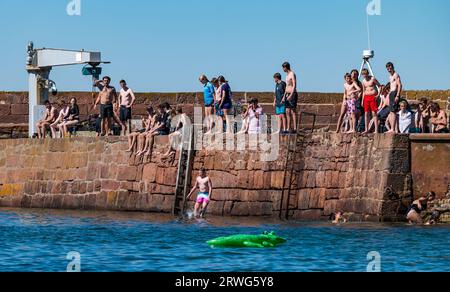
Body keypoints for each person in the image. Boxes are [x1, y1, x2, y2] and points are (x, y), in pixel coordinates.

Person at [361, 69, 381, 134]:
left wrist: (378, 95)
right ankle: (366, 129)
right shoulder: (363, 81)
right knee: (366, 114)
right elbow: (363, 91)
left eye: (365, 74)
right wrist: (362, 100)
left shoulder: (372, 79)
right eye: (363, 74)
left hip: (373, 97)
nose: (365, 75)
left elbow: (379, 86)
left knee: (374, 113)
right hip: (366, 97)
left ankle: (376, 130)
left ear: (368, 73)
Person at [386, 62, 403, 133]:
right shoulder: (390, 76)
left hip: (395, 93)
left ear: (393, 67)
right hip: (391, 93)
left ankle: (392, 129)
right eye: (388, 69)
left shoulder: (395, 75)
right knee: (391, 112)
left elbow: (400, 85)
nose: (389, 70)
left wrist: (397, 95)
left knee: (393, 112)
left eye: (390, 68)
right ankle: (394, 129)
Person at [282, 62, 298, 133]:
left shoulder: (292, 74)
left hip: (292, 94)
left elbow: (294, 85)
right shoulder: (286, 76)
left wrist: (291, 94)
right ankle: (288, 128)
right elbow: (287, 87)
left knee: (293, 111)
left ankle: (294, 128)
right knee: (287, 111)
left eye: (283, 67)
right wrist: (284, 96)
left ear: (286, 67)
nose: (283, 69)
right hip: (287, 94)